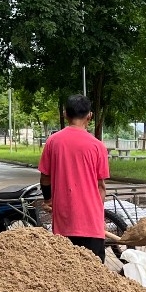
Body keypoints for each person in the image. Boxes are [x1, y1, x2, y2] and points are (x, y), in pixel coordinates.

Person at [39, 94, 111, 262]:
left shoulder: (53, 142)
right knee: (94, 274)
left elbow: (45, 178)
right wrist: (97, 215)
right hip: (91, 225)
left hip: (64, 224)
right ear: (89, 116)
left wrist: (48, 200)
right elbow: (101, 187)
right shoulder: (98, 146)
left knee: (67, 276)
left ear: (65, 114)